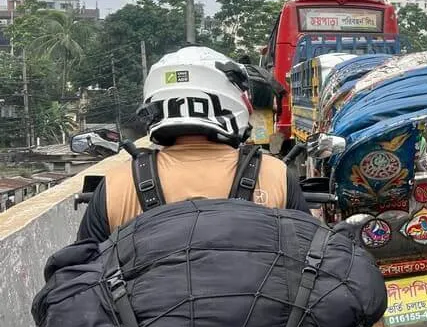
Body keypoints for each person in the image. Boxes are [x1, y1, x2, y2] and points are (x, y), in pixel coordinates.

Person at [76, 46, 309, 243]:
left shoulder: (118, 183)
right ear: (232, 100)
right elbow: (311, 260)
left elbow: (80, 274)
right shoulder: (274, 175)